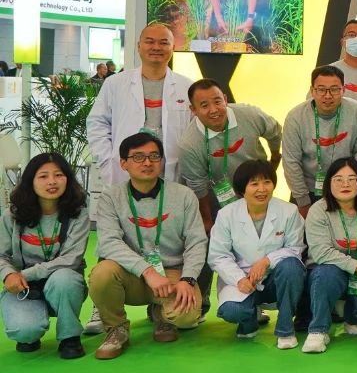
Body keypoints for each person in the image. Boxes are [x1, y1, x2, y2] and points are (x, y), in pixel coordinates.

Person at [88, 133, 207, 360]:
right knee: (101, 274)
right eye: (138, 157)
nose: (147, 162)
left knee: (187, 317)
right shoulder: (110, 198)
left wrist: (188, 279)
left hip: (172, 274)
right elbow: (109, 243)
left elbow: (197, 241)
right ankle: (116, 328)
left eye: (154, 156)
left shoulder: (184, 195)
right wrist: (148, 271)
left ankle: (161, 315)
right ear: (123, 163)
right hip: (130, 274)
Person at [206, 159, 305, 349]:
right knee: (232, 311)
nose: (262, 189)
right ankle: (249, 320)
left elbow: (295, 248)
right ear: (242, 189)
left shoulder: (289, 211)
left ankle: (285, 329)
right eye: (254, 184)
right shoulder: (226, 215)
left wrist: (267, 261)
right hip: (242, 279)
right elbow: (218, 256)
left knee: (292, 266)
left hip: (274, 278)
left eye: (267, 182)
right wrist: (239, 279)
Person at [0, 153, 91, 358]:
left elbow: (71, 259)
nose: (52, 181)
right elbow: (1, 254)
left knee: (65, 279)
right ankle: (31, 329)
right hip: (23, 287)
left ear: (68, 179)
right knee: (25, 332)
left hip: (62, 283)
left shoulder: (78, 213)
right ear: (30, 181)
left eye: (58, 175)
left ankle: (70, 337)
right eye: (43, 176)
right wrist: (8, 275)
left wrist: (25, 274)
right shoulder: (12, 215)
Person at [87, 22, 194, 190]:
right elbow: (97, 124)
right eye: (150, 42)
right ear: (139, 46)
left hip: (171, 174)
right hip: (124, 173)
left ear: (173, 48)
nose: (156, 47)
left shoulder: (186, 87)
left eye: (163, 42)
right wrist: (107, 161)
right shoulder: (115, 83)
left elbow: (194, 132)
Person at [302, 157, 357, 354]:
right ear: (328, 183)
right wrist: (356, 265)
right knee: (327, 274)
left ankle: (348, 312)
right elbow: (321, 252)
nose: (345, 184)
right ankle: (318, 330)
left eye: (351, 179)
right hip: (328, 270)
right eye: (338, 179)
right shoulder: (318, 210)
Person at [178, 78, 282, 230]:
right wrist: (207, 221)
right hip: (219, 200)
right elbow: (197, 186)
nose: (214, 110)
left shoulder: (249, 114)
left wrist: (274, 160)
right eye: (204, 105)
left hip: (257, 190)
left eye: (217, 102)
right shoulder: (189, 144)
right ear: (193, 109)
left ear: (225, 100)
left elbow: (275, 132)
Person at [282, 66, 357, 218]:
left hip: (347, 188)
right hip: (309, 189)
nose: (328, 96)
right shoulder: (295, 117)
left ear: (343, 90)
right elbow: (291, 162)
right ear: (312, 91)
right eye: (321, 90)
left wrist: (355, 188)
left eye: (334, 89)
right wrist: (302, 201)